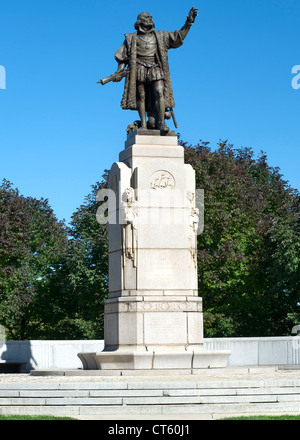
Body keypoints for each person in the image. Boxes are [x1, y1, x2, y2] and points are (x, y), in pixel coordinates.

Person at [113, 7, 198, 134]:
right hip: (139, 67)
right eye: (147, 17)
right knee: (141, 96)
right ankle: (143, 125)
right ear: (140, 22)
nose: (150, 19)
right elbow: (123, 57)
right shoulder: (130, 38)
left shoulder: (161, 36)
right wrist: (119, 71)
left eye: (151, 17)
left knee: (159, 92)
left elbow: (177, 38)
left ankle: (161, 122)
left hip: (155, 67)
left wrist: (188, 23)